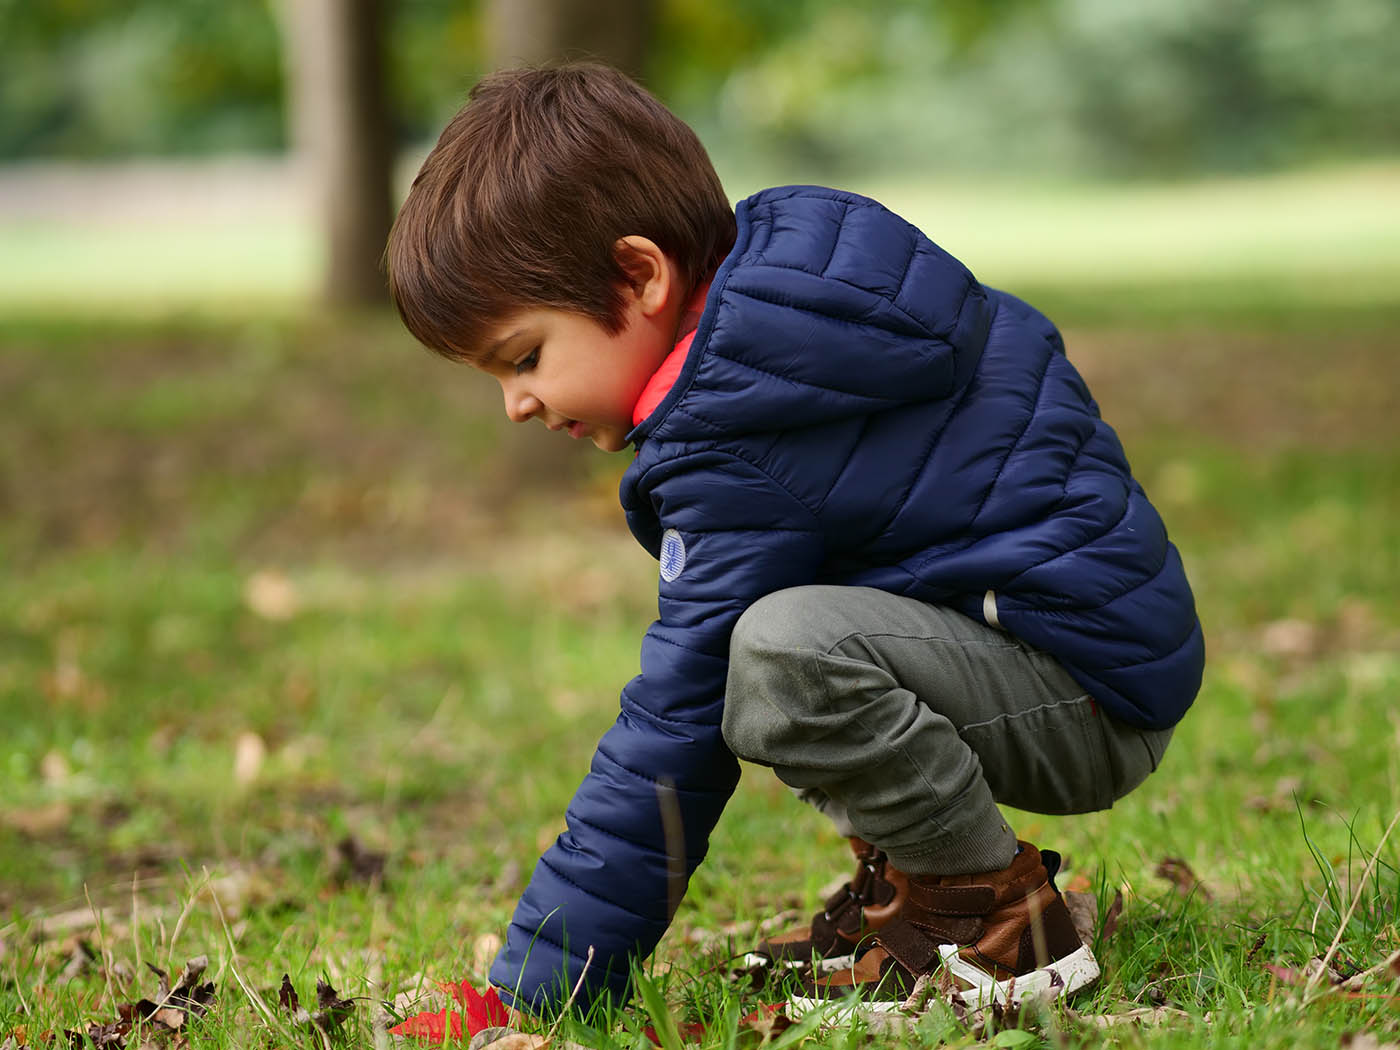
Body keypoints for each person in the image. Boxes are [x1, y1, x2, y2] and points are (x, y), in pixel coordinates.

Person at [385, 63, 1203, 1016]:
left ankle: (994, 921)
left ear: (642, 275)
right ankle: (918, 893)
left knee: (781, 655)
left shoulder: (741, 429)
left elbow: (673, 729)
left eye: (525, 358)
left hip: (1083, 698)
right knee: (795, 635)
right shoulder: (790, 299)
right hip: (1096, 659)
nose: (516, 403)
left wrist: (544, 985)